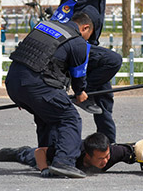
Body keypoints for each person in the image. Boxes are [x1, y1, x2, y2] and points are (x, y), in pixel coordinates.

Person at [5, 11, 95, 179]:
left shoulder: (46, 26)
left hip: (13, 83)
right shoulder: (77, 42)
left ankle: (46, 161)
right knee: (69, 118)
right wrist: (81, 93)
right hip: (37, 85)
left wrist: (24, 96)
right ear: (85, 27)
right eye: (88, 36)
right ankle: (64, 162)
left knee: (47, 115)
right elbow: (78, 77)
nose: (87, 41)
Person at [59, 0, 123, 143]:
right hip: (78, 46)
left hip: (91, 45)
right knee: (113, 60)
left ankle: (108, 144)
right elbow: (61, 21)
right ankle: (82, 93)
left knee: (105, 99)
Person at [0, 132, 137, 176]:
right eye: (101, 159)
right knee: (30, 157)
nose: (106, 161)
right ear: (87, 155)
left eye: (107, 156)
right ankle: (19, 152)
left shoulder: (114, 152)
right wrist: (44, 169)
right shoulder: (70, 152)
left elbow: (137, 150)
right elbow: (41, 152)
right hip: (46, 158)